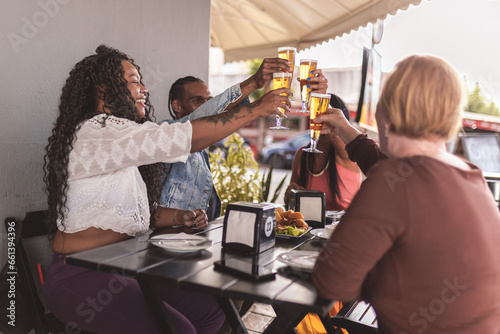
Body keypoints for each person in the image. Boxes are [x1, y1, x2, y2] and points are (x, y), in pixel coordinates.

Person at [41, 45, 291, 334]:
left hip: (129, 264)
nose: (145, 88)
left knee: (210, 311)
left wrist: (177, 217)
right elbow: (186, 135)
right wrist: (255, 109)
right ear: (102, 88)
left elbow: (124, 217)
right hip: (80, 273)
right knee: (179, 329)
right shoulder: (96, 132)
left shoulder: (121, 138)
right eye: (135, 80)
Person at [311, 55, 500, 333]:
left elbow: (331, 282)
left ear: (385, 110)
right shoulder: (469, 173)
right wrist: (345, 129)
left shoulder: (392, 182)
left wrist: (384, 269)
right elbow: (403, 178)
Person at [162, 64, 329, 222]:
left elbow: (227, 114)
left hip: (192, 243)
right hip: (164, 243)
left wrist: (320, 95)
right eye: (198, 100)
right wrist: (254, 85)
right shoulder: (166, 134)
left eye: (210, 101)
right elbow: (207, 118)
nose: (207, 107)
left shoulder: (202, 148)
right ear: (177, 105)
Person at [284, 94, 362, 211]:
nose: (319, 116)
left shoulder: (345, 154)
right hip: (310, 227)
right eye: (316, 111)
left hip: (342, 226)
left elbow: (337, 136)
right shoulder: (302, 154)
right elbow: (290, 204)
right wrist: (290, 195)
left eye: (325, 113)